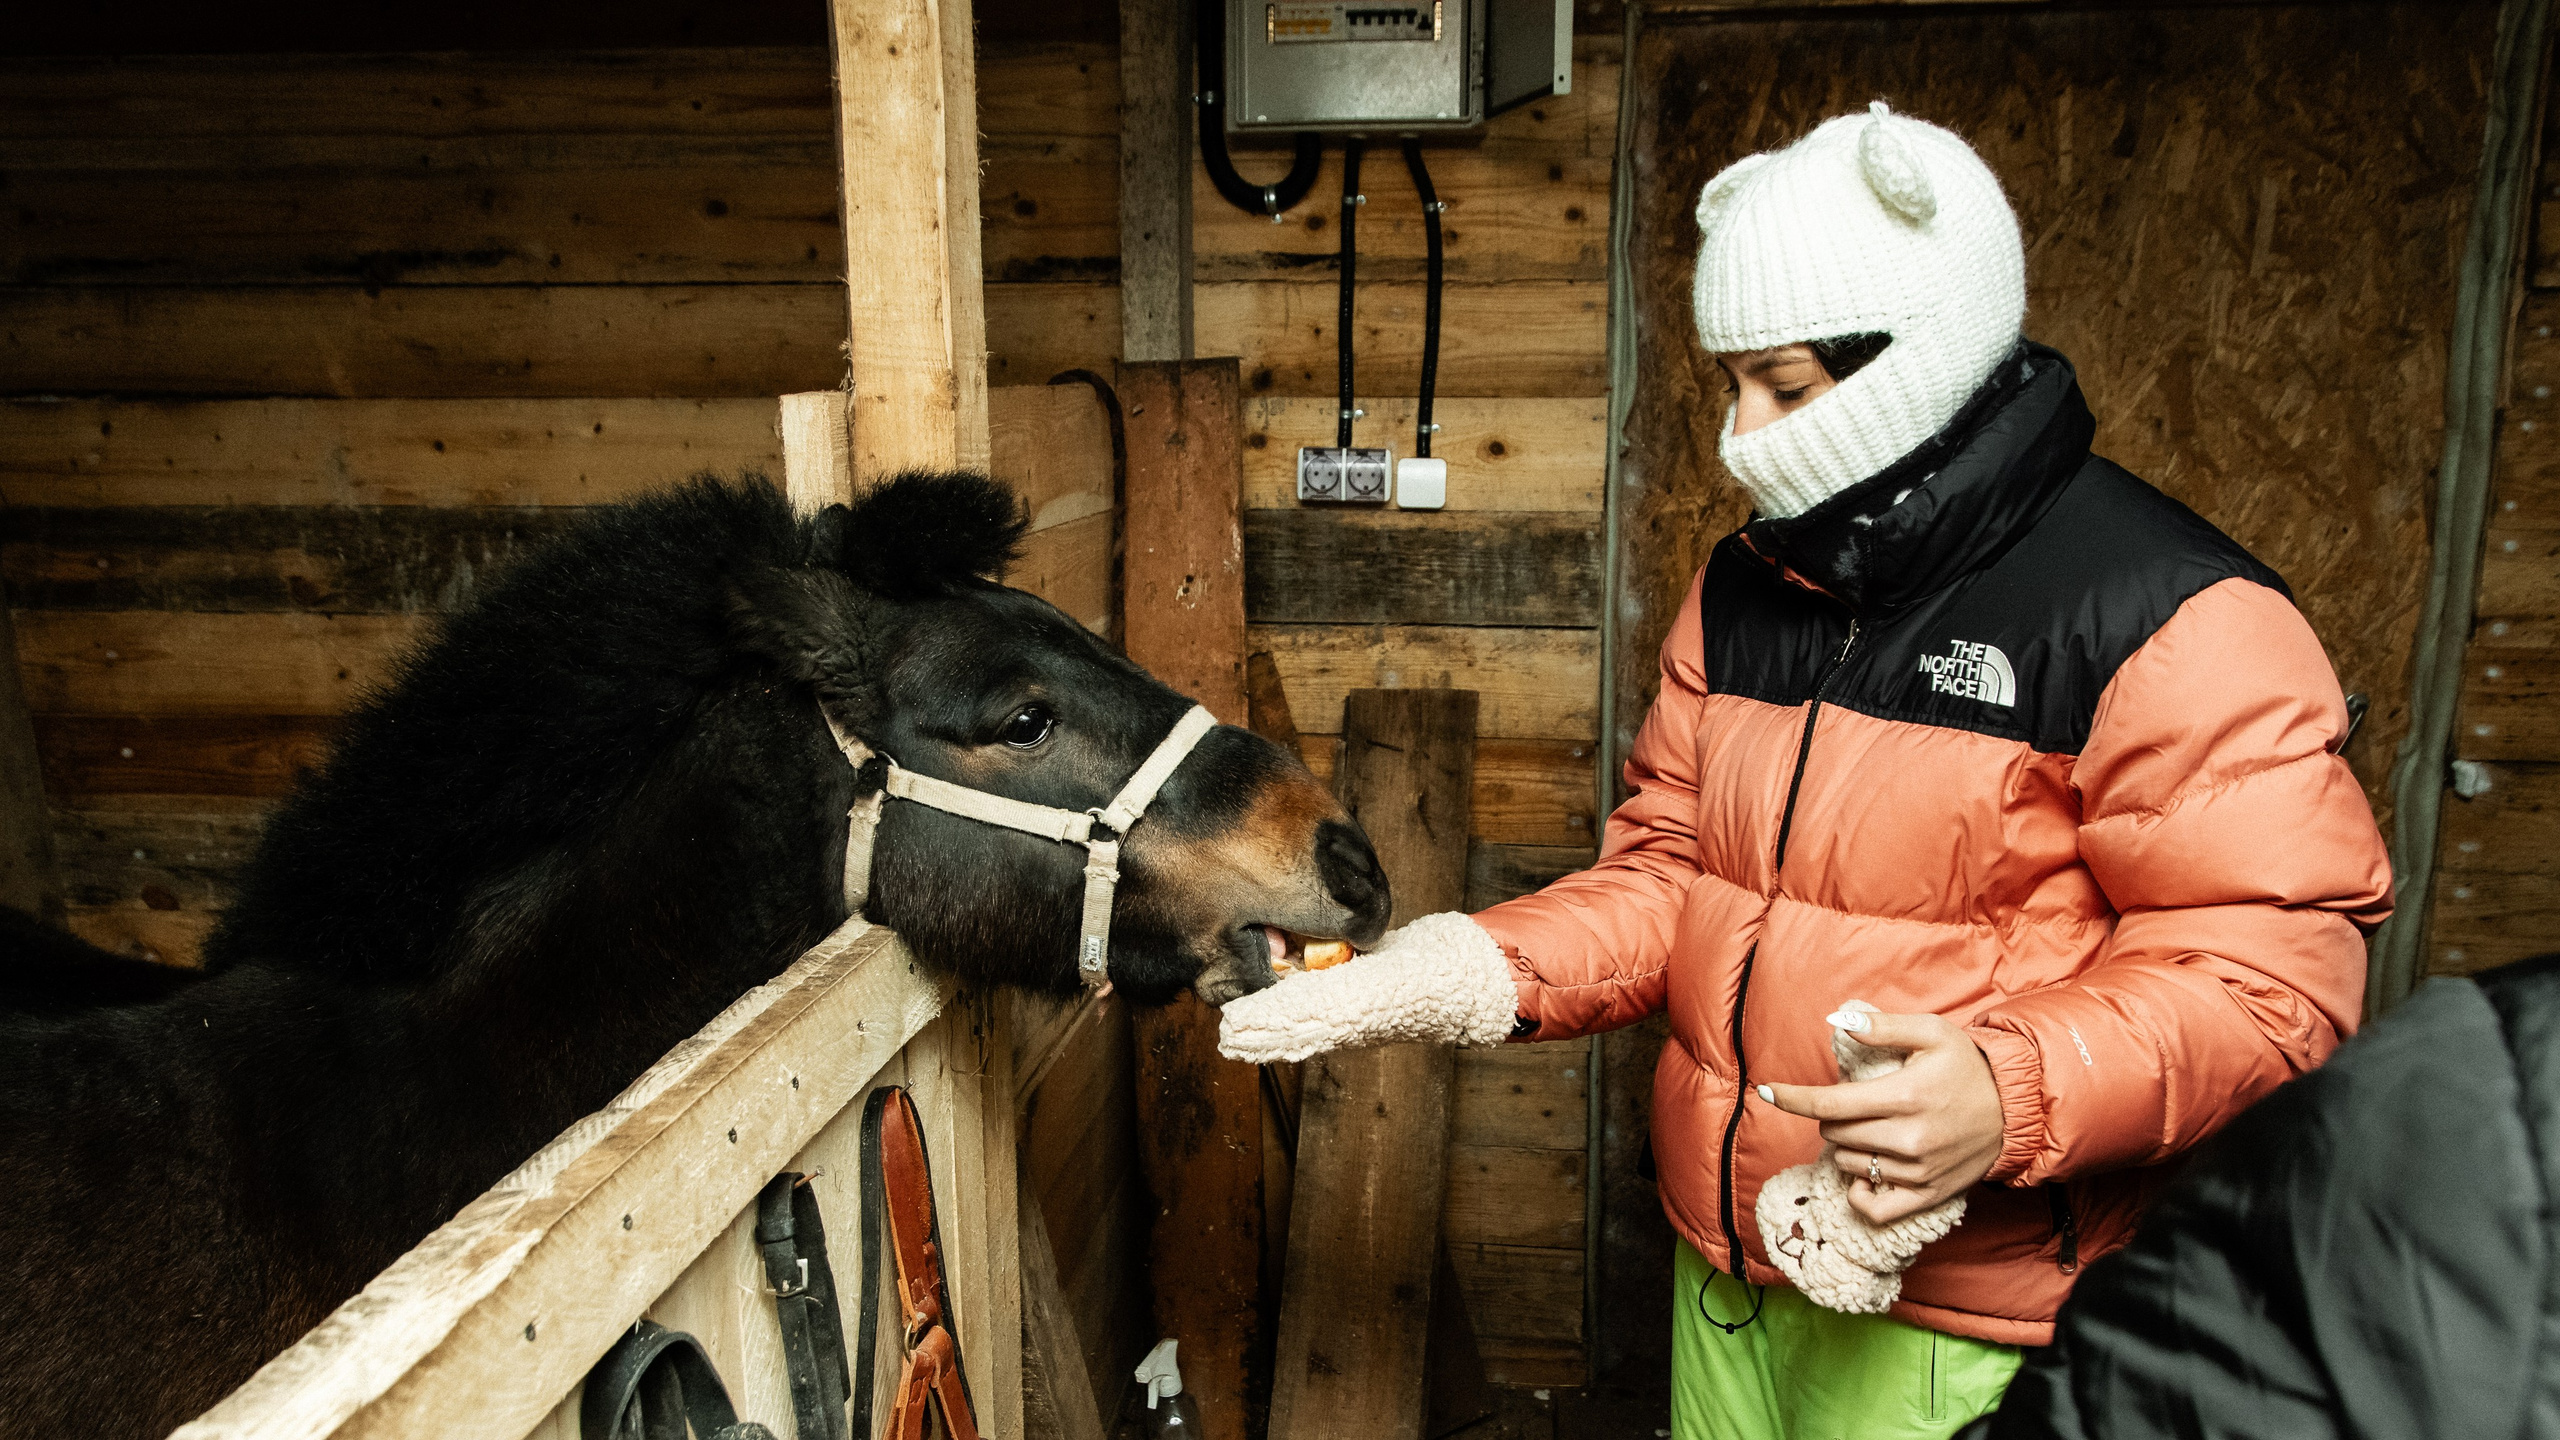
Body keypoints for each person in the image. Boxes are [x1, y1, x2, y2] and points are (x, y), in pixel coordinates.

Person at [1219, 101, 2393, 1438]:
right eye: (1729, 384)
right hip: (1729, 1258)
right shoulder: (1745, 587)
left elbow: (2273, 983)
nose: (1743, 434)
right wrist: (1460, 968)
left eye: (1782, 386)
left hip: (1967, 1316)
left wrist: (2006, 1090)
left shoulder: (2168, 614)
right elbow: (1673, 879)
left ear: (1922, 351)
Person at [1965, 953, 2560, 1440]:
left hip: (2025, 1281)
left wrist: (2016, 1086)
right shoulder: (2468, 1085)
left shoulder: (2478, 1097)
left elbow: (2275, 989)